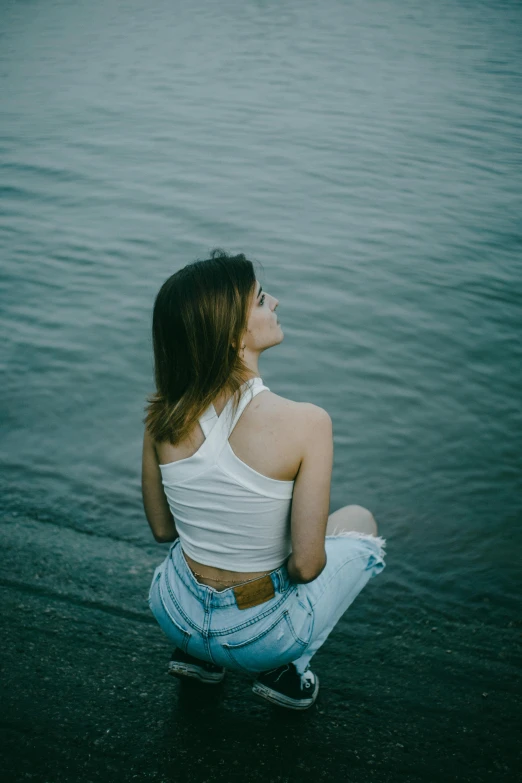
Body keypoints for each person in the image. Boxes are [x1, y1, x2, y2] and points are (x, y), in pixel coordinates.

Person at [142, 249, 386, 711]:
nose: (274, 302)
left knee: (204, 542)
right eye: (259, 300)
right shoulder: (306, 422)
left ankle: (200, 654)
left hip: (174, 612)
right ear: (233, 336)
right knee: (359, 521)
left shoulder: (162, 413)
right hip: (259, 637)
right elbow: (306, 567)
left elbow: (162, 530)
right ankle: (287, 671)